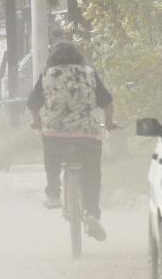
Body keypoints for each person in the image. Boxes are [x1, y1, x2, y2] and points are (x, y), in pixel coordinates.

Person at [27, 42, 116, 241]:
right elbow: (108, 103)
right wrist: (109, 123)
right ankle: (92, 213)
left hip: (55, 134)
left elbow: (33, 103)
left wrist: (37, 122)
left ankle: (53, 194)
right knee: (92, 174)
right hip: (88, 134)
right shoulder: (89, 73)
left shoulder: (48, 75)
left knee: (51, 160)